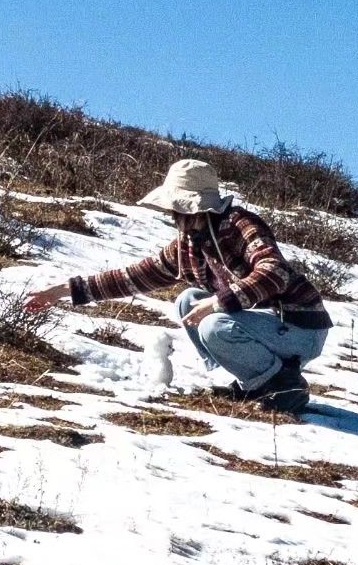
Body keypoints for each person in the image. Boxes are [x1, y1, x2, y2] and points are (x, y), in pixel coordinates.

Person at [22, 158, 328, 412]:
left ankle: (283, 387)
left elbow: (275, 272)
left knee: (213, 324)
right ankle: (254, 381)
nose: (172, 216)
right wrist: (62, 291)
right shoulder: (187, 246)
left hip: (300, 327)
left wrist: (218, 302)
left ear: (193, 208)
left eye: (176, 209)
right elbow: (132, 277)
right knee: (188, 300)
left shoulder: (240, 224)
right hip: (263, 326)